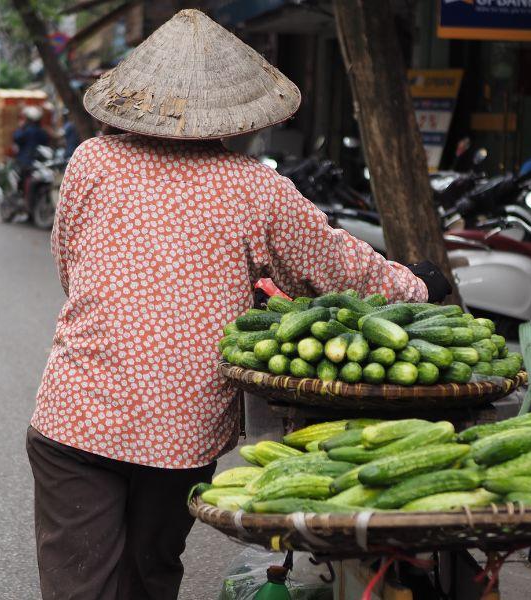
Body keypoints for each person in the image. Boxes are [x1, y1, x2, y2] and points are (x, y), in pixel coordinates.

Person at [30, 10, 454, 599]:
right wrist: (418, 285)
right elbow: (335, 267)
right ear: (234, 115)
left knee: (79, 584)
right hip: (176, 433)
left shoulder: (92, 162)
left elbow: (70, 266)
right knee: (151, 576)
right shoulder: (255, 188)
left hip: (75, 414)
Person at [12, 105, 53, 180]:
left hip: (26, 161)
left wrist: (21, 127)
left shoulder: (26, 131)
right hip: (37, 162)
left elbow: (16, 138)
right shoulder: (41, 131)